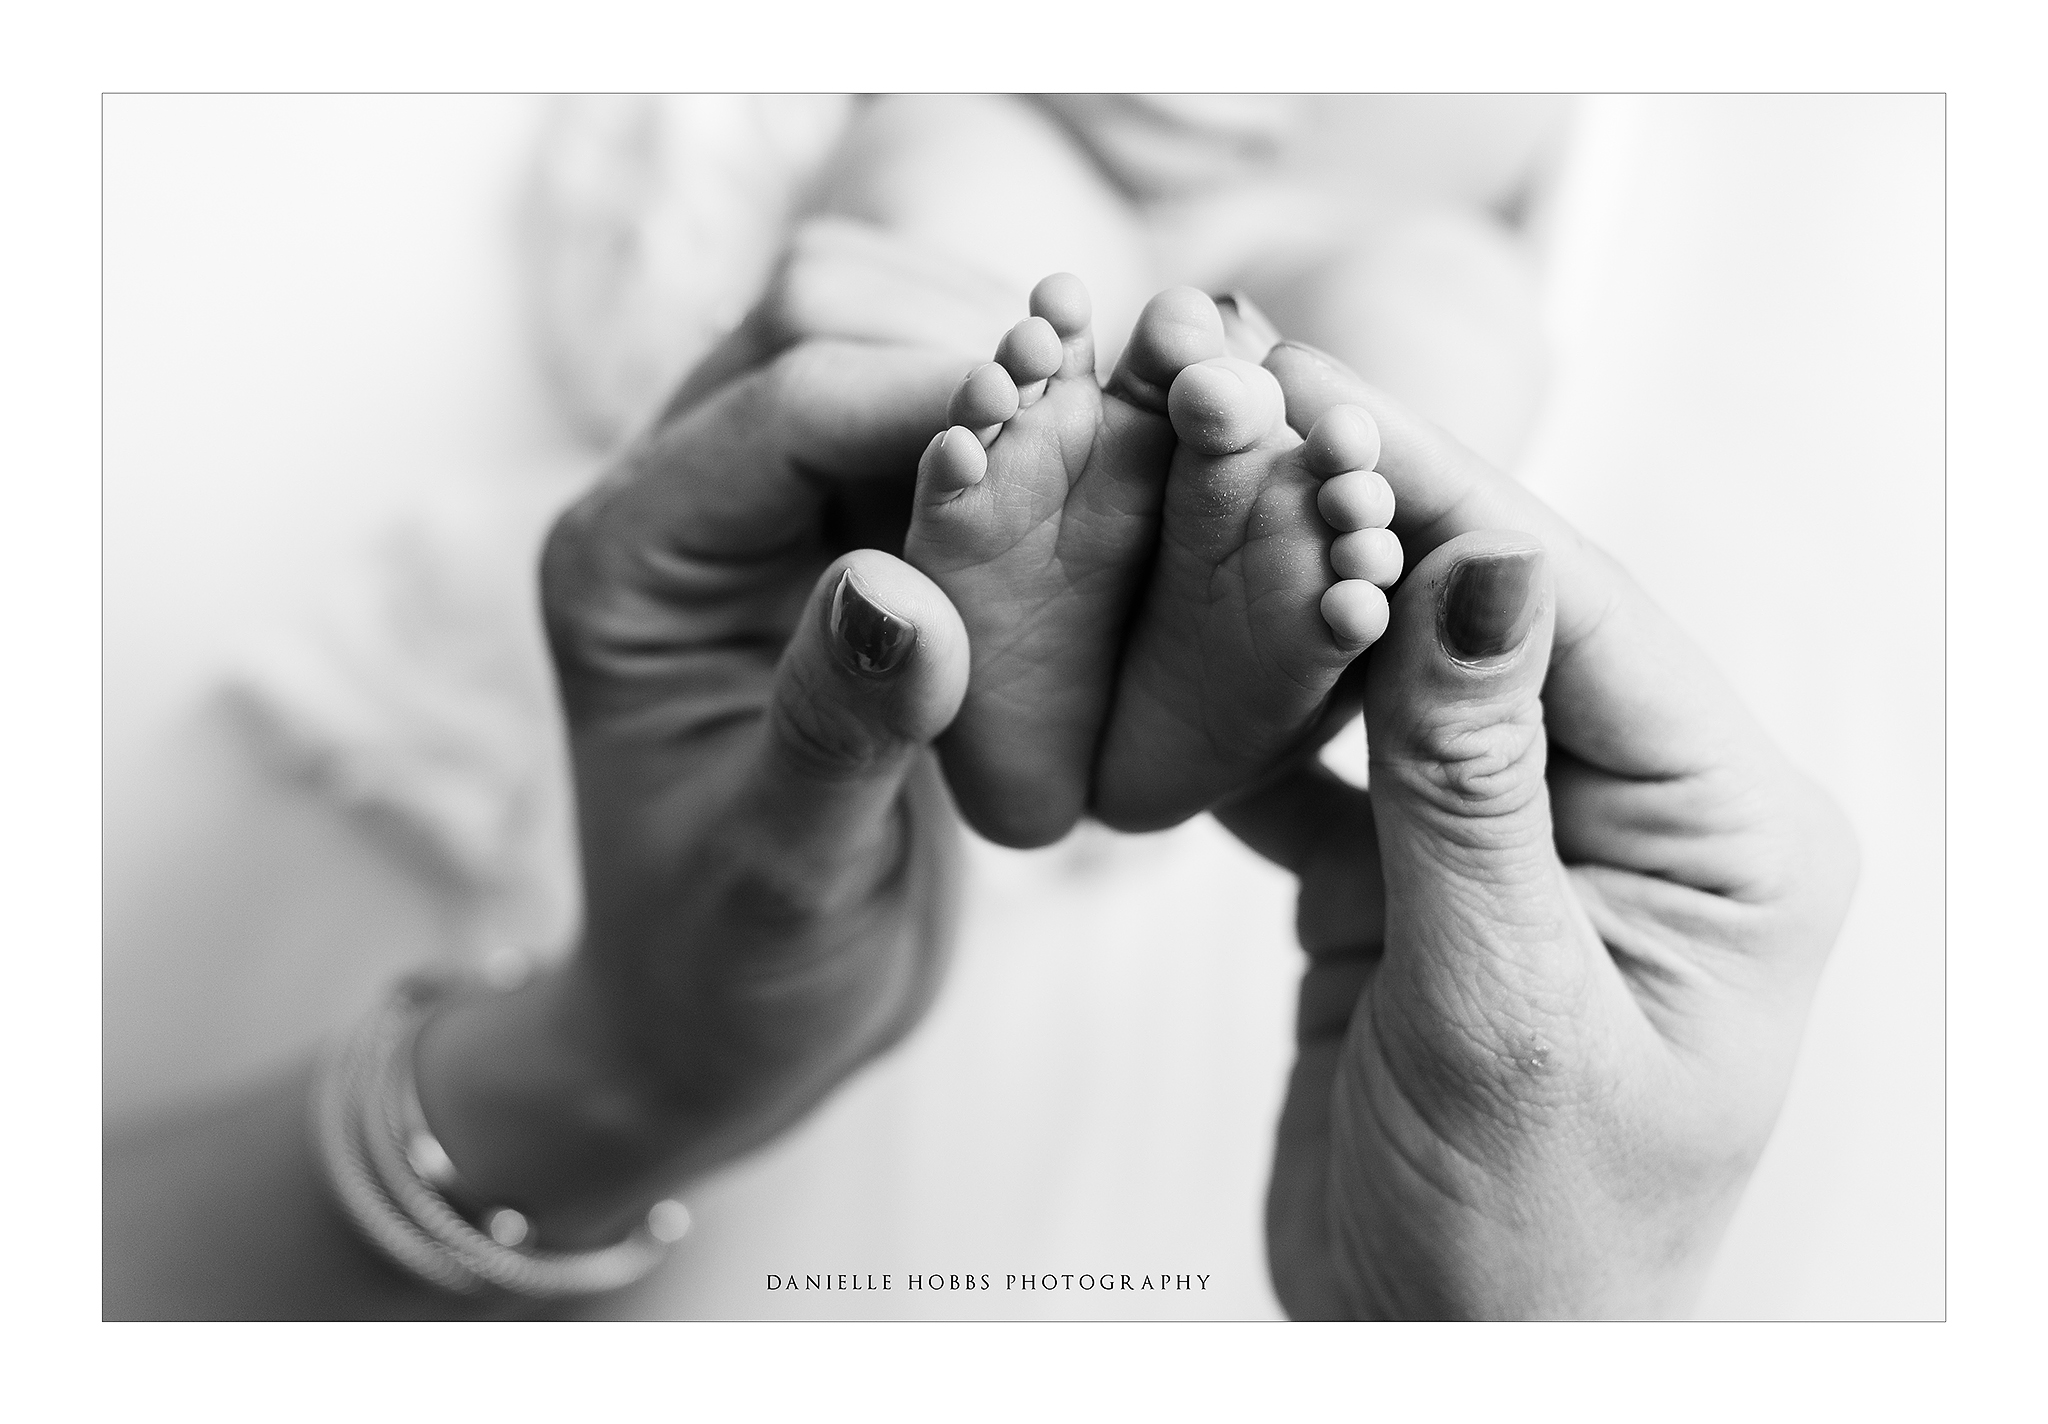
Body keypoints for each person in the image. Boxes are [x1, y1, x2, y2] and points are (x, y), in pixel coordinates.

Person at [103, 215, 1857, 1319]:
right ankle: (1120, 587)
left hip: (1331, 231)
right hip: (1017, 225)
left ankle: (1153, 581)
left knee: (1428, 296)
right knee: (961, 207)